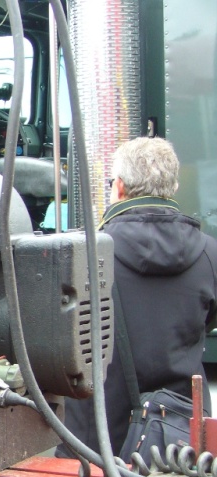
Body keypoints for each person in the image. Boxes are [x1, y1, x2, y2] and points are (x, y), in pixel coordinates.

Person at [60, 136, 217, 458]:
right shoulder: (211, 254)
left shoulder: (84, 255)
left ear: (118, 187)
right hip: (177, 436)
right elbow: (208, 321)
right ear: (172, 187)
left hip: (95, 441)